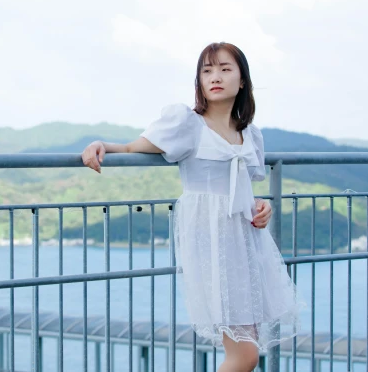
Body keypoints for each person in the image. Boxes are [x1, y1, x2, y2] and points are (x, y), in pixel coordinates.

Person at [81, 41, 303, 372]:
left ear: (242, 81)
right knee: (244, 355)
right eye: (207, 70)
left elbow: (243, 188)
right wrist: (102, 145)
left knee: (247, 349)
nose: (215, 76)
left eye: (226, 69)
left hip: (245, 241)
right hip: (212, 242)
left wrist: (260, 206)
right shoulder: (188, 123)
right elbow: (134, 145)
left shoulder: (249, 134)